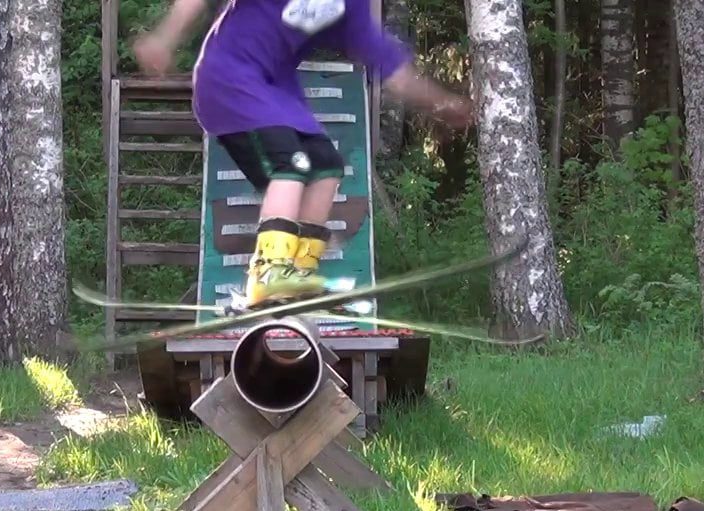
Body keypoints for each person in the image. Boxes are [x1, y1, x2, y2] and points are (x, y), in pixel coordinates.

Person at [134, 0, 475, 308]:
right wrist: (165, 39)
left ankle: (298, 274)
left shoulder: (350, 6)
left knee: (326, 166)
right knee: (291, 164)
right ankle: (269, 271)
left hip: (277, 92)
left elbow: (395, 74)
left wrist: (441, 103)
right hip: (228, 77)